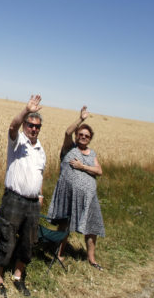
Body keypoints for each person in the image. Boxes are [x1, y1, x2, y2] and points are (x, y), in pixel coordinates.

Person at [0, 94, 46, 298]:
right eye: (30, 125)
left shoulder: (40, 150)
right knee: (6, 238)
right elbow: (12, 126)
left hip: (33, 204)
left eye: (37, 126)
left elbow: (40, 174)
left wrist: (40, 196)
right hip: (14, 199)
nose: (33, 129)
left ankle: (17, 276)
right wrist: (26, 110)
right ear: (25, 125)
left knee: (28, 242)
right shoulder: (17, 141)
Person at [48, 106, 105, 270]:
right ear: (76, 135)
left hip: (89, 197)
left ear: (90, 139)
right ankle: (59, 254)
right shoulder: (69, 148)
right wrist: (81, 119)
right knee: (64, 225)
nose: (83, 137)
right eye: (80, 134)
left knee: (91, 227)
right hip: (69, 195)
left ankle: (92, 259)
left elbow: (99, 171)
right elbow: (67, 132)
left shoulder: (92, 154)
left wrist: (82, 167)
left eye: (87, 136)